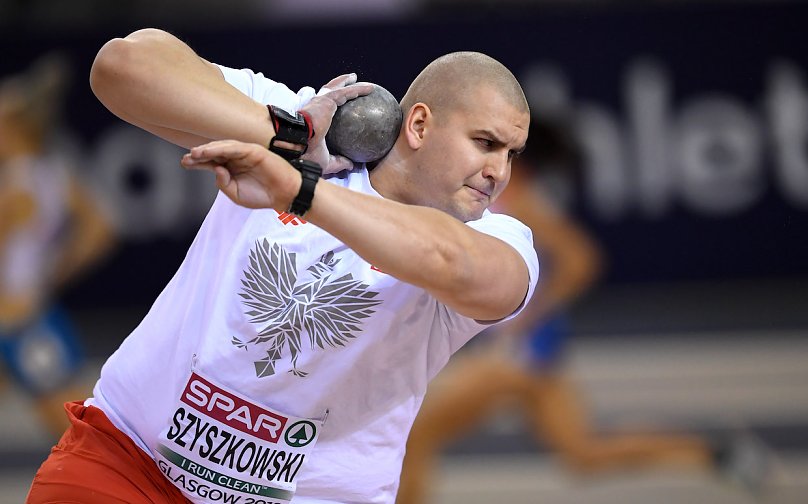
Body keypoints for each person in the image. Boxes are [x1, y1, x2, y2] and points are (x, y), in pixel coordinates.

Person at [26, 28, 538, 504]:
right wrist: (289, 136)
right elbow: (122, 65)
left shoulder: (499, 236)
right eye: (485, 143)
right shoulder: (302, 124)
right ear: (420, 124)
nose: (498, 171)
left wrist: (298, 188)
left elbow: (450, 261)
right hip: (128, 463)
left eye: (511, 154)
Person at [396, 117, 773, 504]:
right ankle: (712, 451)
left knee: (416, 437)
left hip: (513, 356)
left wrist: (525, 314)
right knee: (583, 453)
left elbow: (581, 259)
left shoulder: (518, 195)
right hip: (534, 354)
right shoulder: (508, 191)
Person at [0, 53, 115, 437]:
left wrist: (47, 272)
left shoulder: (14, 190)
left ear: (13, 129)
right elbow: (101, 228)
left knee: (73, 430)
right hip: (26, 313)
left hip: (19, 323)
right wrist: (50, 272)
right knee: (74, 423)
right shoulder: (53, 175)